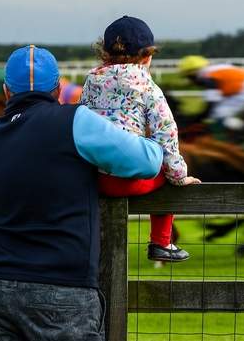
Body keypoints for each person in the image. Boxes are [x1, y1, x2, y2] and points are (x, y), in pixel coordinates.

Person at [0, 45, 163, 341]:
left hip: (0, 292)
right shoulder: (75, 121)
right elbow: (147, 161)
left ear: (6, 90)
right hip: (65, 293)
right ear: (58, 90)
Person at [79, 15, 200, 262]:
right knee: (166, 173)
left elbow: (81, 118)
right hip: (129, 180)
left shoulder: (91, 80)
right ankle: (161, 243)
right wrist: (178, 175)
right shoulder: (147, 85)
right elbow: (165, 131)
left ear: (105, 53)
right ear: (147, 56)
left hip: (90, 178)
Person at [177, 55, 244, 132]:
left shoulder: (205, 75)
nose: (191, 82)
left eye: (189, 77)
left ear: (193, 73)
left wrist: (197, 119)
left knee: (217, 114)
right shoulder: (214, 69)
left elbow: (211, 103)